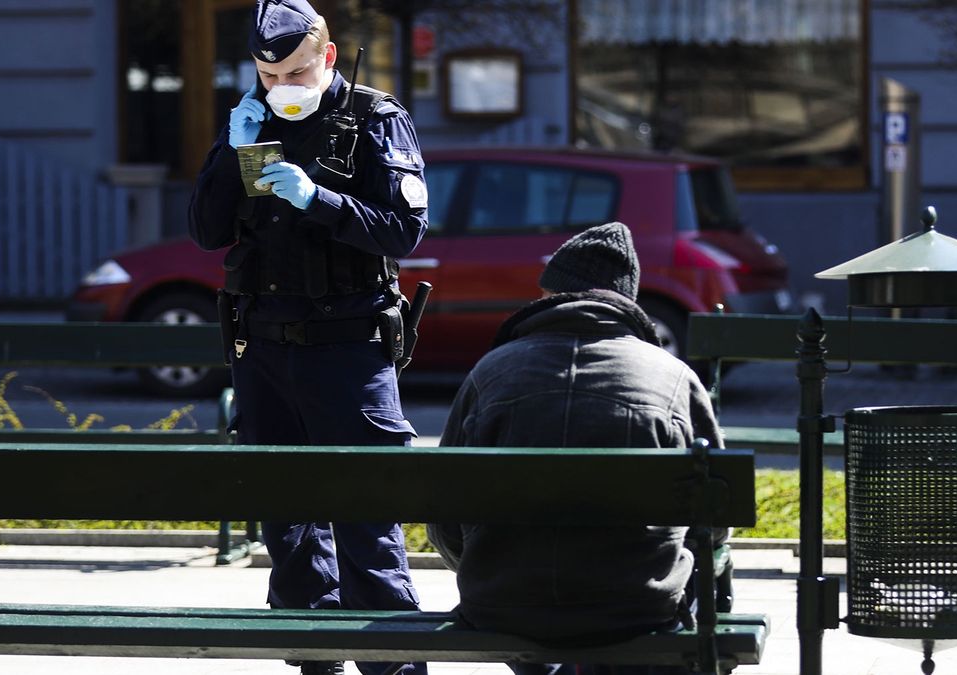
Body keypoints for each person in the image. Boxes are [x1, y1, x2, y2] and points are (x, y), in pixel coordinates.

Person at [187, 2, 429, 675]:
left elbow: (402, 231)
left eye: (295, 72)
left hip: (347, 346)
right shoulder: (252, 118)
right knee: (286, 523)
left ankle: (395, 665)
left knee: (365, 515)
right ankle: (315, 659)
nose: (282, 87)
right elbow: (208, 232)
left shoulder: (376, 119)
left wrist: (317, 198)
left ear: (327, 58)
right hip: (263, 347)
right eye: (268, 75)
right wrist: (230, 156)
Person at [427, 222, 725, 675]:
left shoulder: (492, 372)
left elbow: (444, 516)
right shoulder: (672, 377)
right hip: (634, 606)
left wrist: (488, 573)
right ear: (628, 301)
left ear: (549, 295)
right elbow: (716, 517)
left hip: (505, 604)